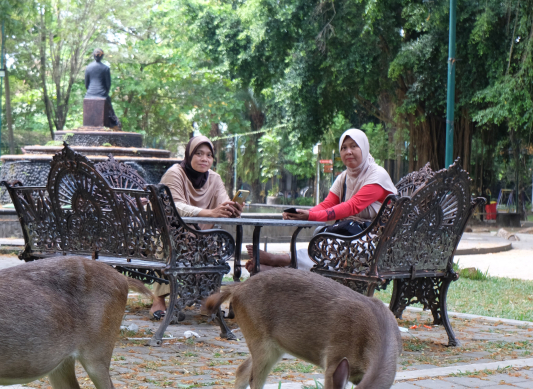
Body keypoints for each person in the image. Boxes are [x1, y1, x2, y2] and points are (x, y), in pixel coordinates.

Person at [245, 128, 397, 272]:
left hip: (376, 240)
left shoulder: (377, 175)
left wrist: (312, 216)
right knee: (324, 236)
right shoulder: (344, 177)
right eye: (343, 148)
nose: (348, 151)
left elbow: (353, 206)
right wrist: (301, 213)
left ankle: (282, 260)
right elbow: (328, 204)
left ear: (364, 148)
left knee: (336, 244)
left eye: (353, 146)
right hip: (353, 234)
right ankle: (280, 268)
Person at [149, 135, 243, 319]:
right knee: (172, 246)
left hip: (201, 235)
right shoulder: (175, 173)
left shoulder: (214, 179)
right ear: (189, 155)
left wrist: (232, 208)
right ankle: (158, 301)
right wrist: (209, 213)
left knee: (212, 249)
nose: (204, 159)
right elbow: (174, 206)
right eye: (199, 153)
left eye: (209, 155)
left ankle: (206, 301)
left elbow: (223, 203)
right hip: (168, 231)